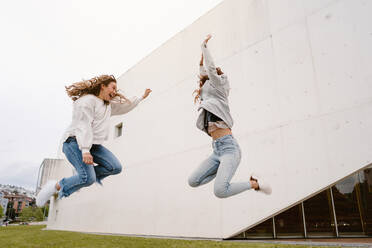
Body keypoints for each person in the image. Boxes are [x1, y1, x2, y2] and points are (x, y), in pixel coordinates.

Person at [36, 75, 151, 206]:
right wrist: (85, 150)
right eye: (113, 88)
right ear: (103, 86)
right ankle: (56, 186)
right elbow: (83, 125)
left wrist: (141, 97)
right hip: (74, 142)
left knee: (115, 167)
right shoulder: (87, 101)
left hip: (92, 145)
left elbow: (124, 107)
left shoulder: (108, 106)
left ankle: (80, 176)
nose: (114, 92)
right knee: (88, 179)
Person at [188, 35, 271, 198]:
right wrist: (200, 64)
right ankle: (222, 171)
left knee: (220, 191)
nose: (205, 85)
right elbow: (204, 74)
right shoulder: (208, 95)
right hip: (216, 149)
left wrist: (204, 47)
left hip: (229, 149)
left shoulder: (219, 89)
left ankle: (254, 183)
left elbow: (211, 70)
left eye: (210, 80)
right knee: (193, 181)